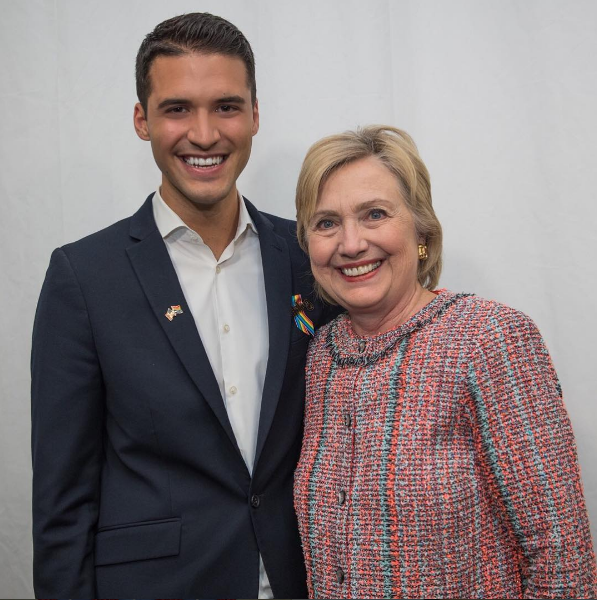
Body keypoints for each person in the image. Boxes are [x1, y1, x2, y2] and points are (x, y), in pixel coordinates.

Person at [31, 12, 335, 599]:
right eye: (177, 109)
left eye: (225, 106)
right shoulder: (84, 278)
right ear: (142, 120)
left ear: (253, 115)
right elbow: (62, 504)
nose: (204, 133)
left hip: (303, 580)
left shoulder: (307, 257)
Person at [293, 125, 597, 599]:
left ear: (421, 230)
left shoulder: (489, 339)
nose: (350, 244)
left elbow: (560, 553)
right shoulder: (320, 356)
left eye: (374, 214)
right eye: (326, 223)